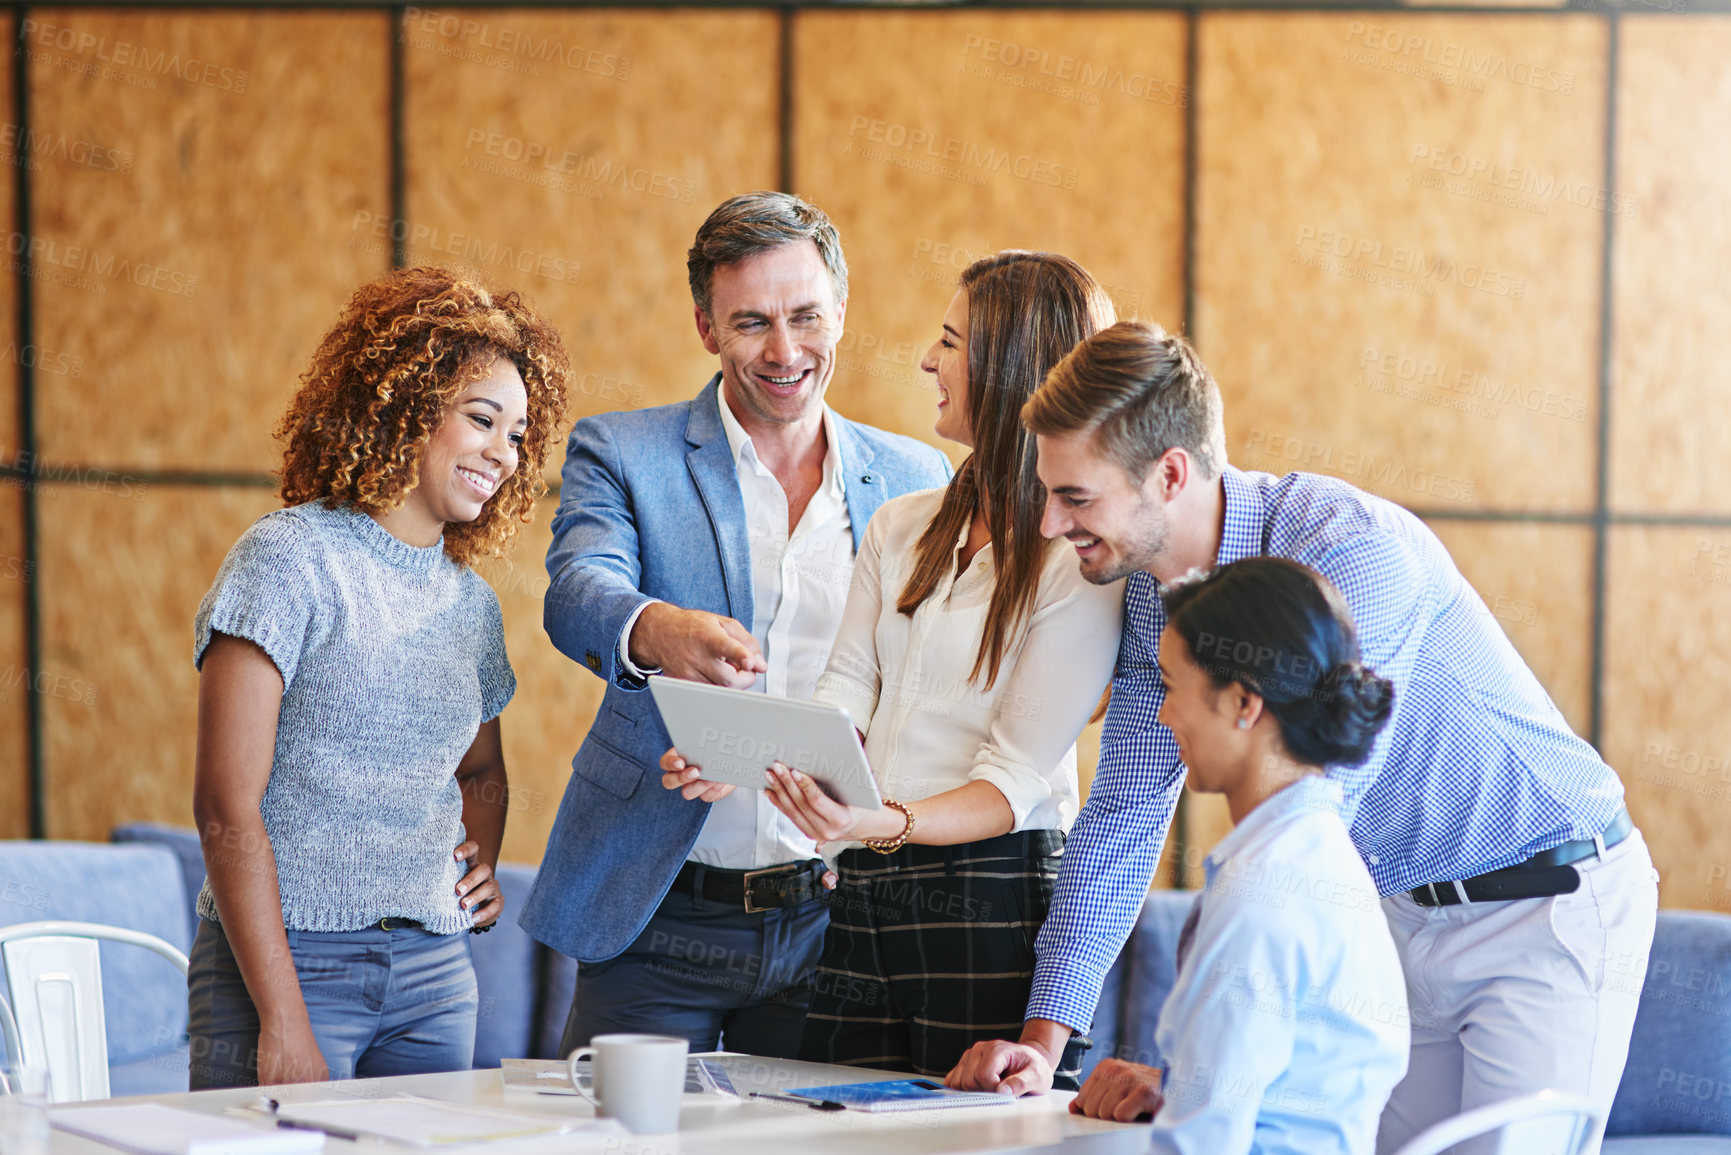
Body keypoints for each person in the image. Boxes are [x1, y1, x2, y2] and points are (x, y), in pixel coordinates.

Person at [947, 321, 1658, 1155]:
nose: (1048, 526)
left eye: (1075, 497)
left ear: (1168, 473)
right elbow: (1123, 819)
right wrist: (1042, 1050)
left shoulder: (1348, 551)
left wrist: (1192, 1077)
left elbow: (1320, 801)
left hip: (1542, 898)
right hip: (1400, 912)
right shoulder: (1152, 600)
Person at [663, 252, 1124, 1081]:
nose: (925, 360)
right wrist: (737, 754)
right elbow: (845, 692)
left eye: (949, 342)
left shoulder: (1078, 556)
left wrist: (876, 822)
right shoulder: (903, 526)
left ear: (1013, 366)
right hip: (868, 885)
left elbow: (1013, 778)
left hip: (998, 893)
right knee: (843, 1130)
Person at [518, 192, 951, 1060]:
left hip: (835, 918)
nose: (785, 351)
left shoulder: (918, 477)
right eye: (751, 321)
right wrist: (655, 628)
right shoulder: (623, 451)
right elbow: (576, 589)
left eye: (805, 317)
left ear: (841, 313)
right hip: (655, 908)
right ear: (704, 326)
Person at [187, 267, 570, 1088]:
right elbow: (225, 807)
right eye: (481, 419)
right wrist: (282, 1017)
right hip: (288, 964)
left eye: (518, 435)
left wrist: (480, 865)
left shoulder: (470, 605)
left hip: (435, 978)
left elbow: (481, 771)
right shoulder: (287, 559)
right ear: (405, 405)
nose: (503, 453)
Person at [1129, 556, 1408, 1153]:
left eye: (1173, 687)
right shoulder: (1324, 853)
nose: (1163, 712)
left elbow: (1201, 1140)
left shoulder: (1263, 890)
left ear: (1242, 703)